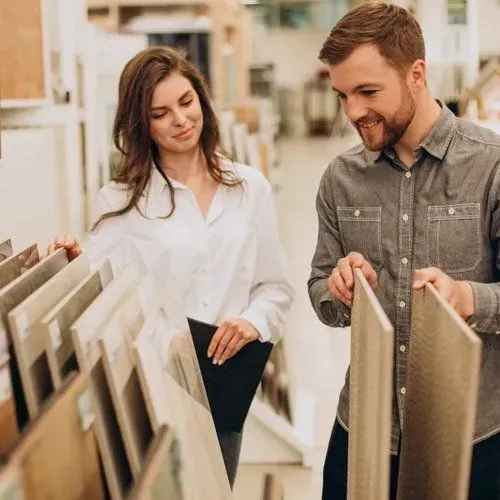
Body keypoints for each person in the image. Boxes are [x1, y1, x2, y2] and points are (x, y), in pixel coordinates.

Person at [45, 46, 294, 487]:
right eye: (160, 113)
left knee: (217, 490)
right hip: (156, 388)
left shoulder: (249, 188)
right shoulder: (121, 202)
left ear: (202, 99)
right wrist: (72, 266)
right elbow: (106, 301)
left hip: (223, 387)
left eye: (186, 102)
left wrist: (252, 321)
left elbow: (275, 288)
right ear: (142, 124)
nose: (180, 120)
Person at [308, 3, 500, 499]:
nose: (353, 112)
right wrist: (337, 288)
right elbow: (321, 295)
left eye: (368, 92)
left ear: (416, 74)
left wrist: (466, 298)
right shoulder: (341, 179)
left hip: (473, 437)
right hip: (367, 431)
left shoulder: (490, 168)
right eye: (343, 95)